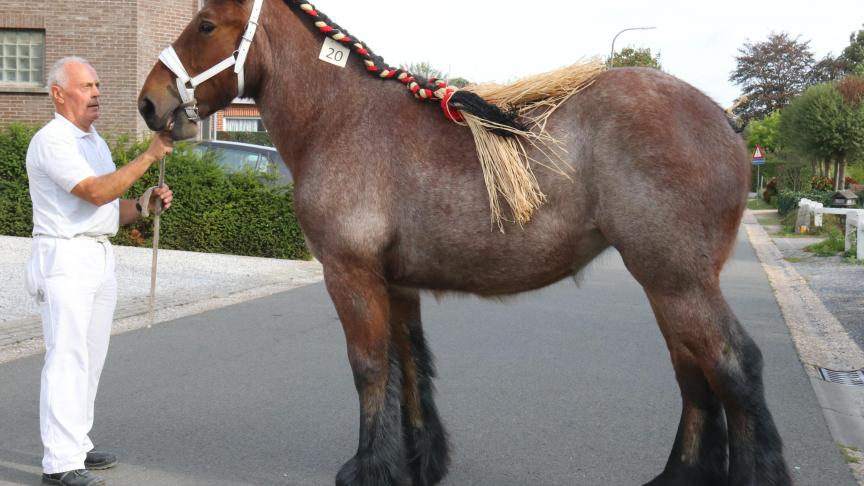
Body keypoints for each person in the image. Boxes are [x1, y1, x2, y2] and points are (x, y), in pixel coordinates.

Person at [25, 56, 174, 486]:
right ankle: (58, 464)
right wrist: (148, 156)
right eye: (86, 86)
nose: (96, 93)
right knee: (67, 359)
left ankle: (77, 445)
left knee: (89, 360)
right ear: (58, 94)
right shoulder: (53, 141)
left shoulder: (94, 142)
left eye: (97, 85)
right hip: (65, 259)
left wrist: (143, 205)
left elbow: (111, 207)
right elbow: (93, 192)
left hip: (96, 256)